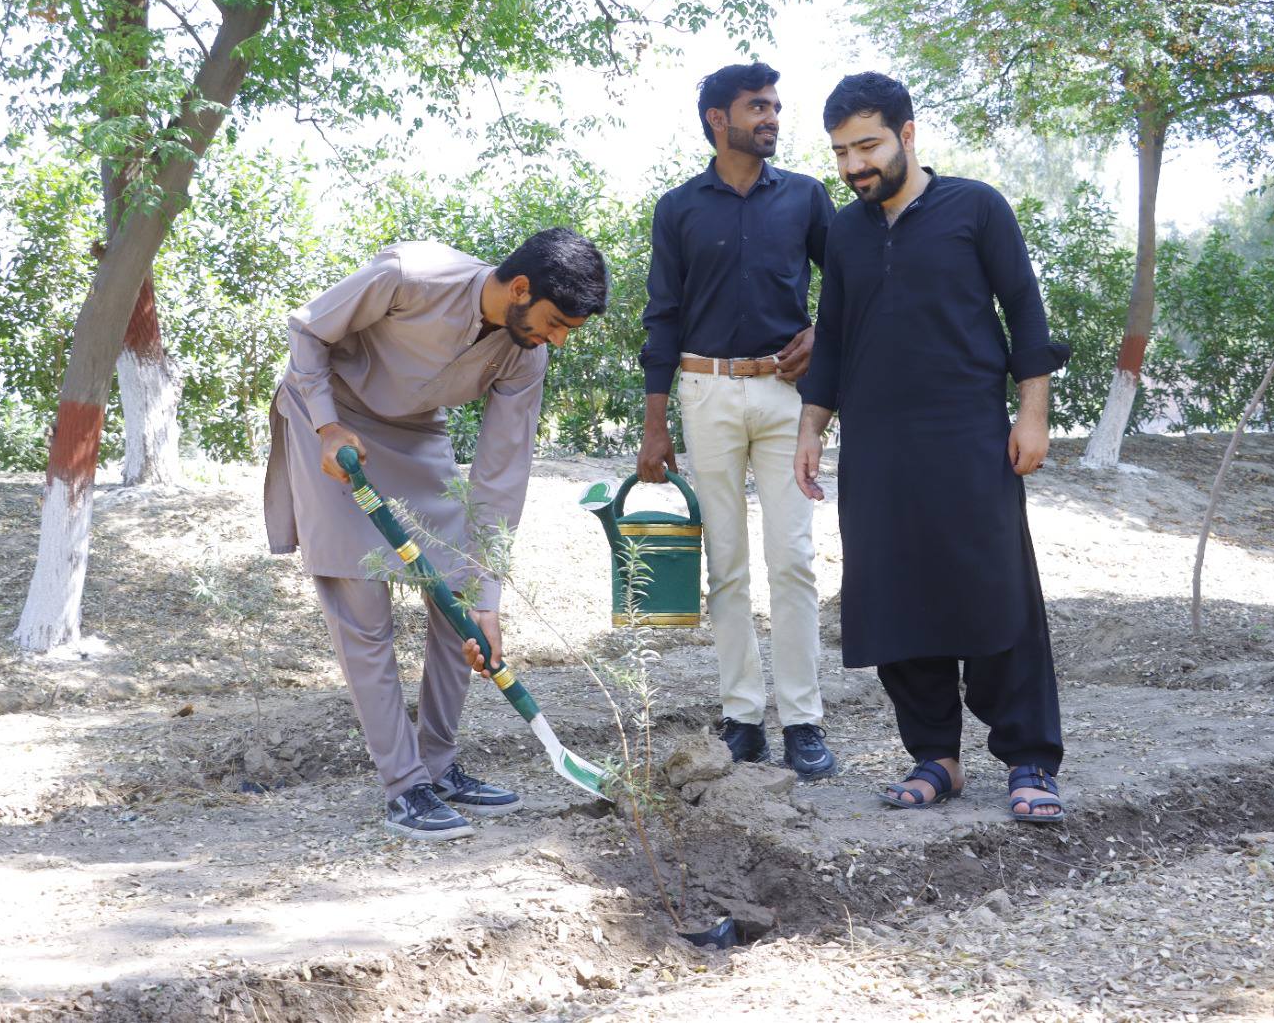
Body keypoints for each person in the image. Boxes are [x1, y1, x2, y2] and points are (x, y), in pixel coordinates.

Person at [264, 228, 607, 840]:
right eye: (556, 323)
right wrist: (325, 427)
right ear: (520, 288)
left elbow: (500, 479)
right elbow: (308, 330)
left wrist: (487, 598)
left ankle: (439, 766)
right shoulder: (411, 274)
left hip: (417, 433)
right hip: (332, 420)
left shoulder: (525, 357)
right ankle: (405, 788)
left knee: (460, 606)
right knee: (363, 606)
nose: (556, 339)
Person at [795, 72, 1071, 822]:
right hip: (877, 444)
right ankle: (935, 756)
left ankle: (1029, 758)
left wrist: (1033, 415)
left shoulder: (975, 207)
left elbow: (1025, 310)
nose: (853, 165)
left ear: (907, 135)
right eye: (840, 152)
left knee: (996, 590)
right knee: (895, 595)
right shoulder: (845, 231)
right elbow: (834, 336)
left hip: (968, 434)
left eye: (867, 146)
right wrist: (812, 427)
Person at [635, 62, 839, 778]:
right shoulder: (678, 208)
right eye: (757, 107)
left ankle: (804, 721)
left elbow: (850, 283)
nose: (772, 117)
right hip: (706, 391)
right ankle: (743, 718)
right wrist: (655, 423)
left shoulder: (807, 197)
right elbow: (662, 315)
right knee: (725, 564)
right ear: (718, 119)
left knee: (793, 559)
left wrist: (822, 333)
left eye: (776, 106)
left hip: (788, 396)